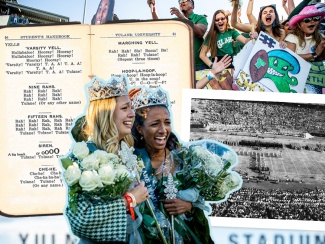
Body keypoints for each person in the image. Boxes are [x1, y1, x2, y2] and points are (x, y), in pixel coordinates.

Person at [64, 75, 149, 243]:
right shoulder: (85, 156)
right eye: (125, 108)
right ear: (107, 114)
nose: (132, 114)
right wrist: (129, 199)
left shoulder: (125, 150)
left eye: (131, 107)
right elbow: (81, 219)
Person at [131, 87, 214, 243]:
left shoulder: (185, 159)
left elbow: (201, 198)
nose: (163, 130)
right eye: (155, 124)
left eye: (167, 123)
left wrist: (189, 206)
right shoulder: (131, 162)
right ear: (140, 129)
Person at [146, 0, 208, 72]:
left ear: (192, 6)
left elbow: (200, 32)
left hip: (200, 65)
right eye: (180, 1)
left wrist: (181, 17)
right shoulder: (176, 21)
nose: (182, 2)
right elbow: (159, 26)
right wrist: (153, 8)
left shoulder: (200, 18)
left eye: (185, 0)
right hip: (183, 66)